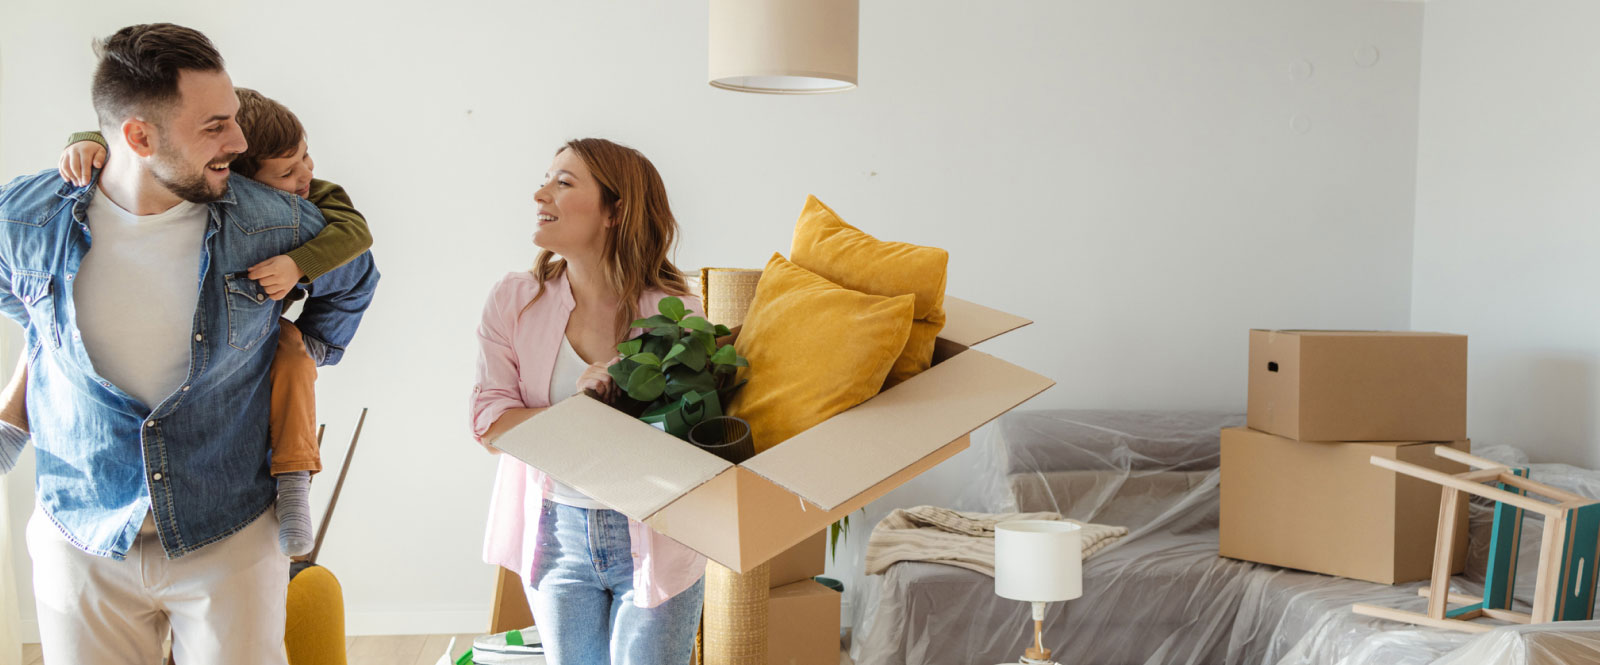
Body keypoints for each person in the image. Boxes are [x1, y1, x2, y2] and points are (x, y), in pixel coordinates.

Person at [0, 23, 379, 664]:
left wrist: (298, 351)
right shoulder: (24, 217)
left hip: (228, 529)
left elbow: (354, 278)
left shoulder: (272, 224)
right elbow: (17, 298)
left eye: (232, 119)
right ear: (139, 136)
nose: (238, 141)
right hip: (81, 531)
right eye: (213, 127)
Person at [42, 86, 375, 556]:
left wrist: (301, 265)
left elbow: (357, 235)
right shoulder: (197, 197)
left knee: (294, 358)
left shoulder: (313, 200)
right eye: (288, 171)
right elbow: (137, 135)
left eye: (306, 158)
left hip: (262, 332)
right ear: (237, 178)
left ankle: (294, 482)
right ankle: (14, 425)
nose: (307, 175)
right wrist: (85, 141)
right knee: (53, 329)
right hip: (193, 344)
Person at [471, 138, 705, 665]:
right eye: (546, 178)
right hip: (557, 536)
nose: (540, 193)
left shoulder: (675, 311)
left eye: (563, 182)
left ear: (615, 211)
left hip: (657, 537)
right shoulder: (514, 301)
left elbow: (692, 444)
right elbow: (489, 424)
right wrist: (575, 415)